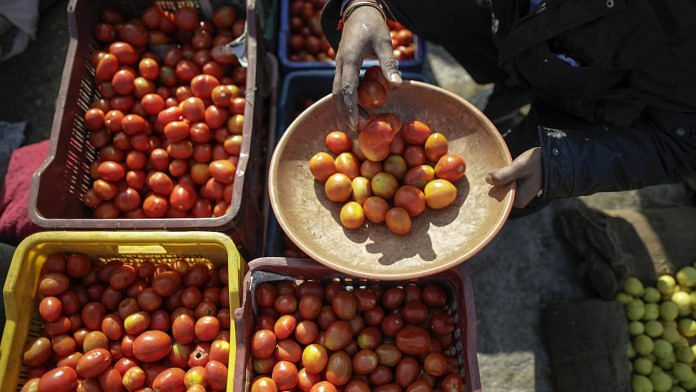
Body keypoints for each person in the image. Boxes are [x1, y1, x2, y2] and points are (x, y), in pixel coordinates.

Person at [321, 0, 696, 212]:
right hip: (506, 21)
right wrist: (363, 2)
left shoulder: (678, 26)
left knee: (493, 197)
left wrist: (559, 165)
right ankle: (509, 86)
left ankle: (524, 102)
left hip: (590, 102)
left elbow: (684, 143)